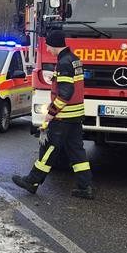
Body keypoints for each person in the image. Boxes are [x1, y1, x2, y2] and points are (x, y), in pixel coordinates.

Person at [11, 30, 94, 199]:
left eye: (48, 45)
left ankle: (32, 181)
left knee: (48, 148)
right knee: (77, 152)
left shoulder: (63, 63)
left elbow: (65, 92)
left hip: (63, 116)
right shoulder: (74, 59)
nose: (47, 49)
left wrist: (52, 112)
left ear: (55, 45)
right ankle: (85, 187)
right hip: (76, 115)